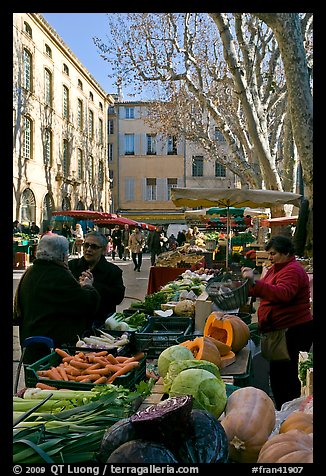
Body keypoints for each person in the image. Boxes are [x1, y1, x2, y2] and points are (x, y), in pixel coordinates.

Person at [241, 234, 313, 410]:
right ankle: (284, 408)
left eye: (273, 253)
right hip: (280, 331)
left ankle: (288, 412)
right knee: (278, 374)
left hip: (293, 331)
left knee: (285, 377)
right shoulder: (278, 268)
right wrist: (248, 286)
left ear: (286, 252)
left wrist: (256, 282)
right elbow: (265, 289)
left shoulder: (293, 270)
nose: (270, 257)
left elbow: (283, 293)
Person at [13, 234, 100, 366]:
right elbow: (88, 303)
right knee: (48, 382)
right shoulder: (59, 275)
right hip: (53, 351)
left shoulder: (31, 272)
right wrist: (87, 286)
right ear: (62, 255)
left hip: (31, 347)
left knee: (35, 381)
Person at [68, 231, 125, 326]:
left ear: (103, 250)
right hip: (74, 321)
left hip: (101, 322)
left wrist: (92, 286)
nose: (88, 249)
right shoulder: (72, 266)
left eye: (94, 247)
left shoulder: (113, 271)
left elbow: (118, 297)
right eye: (86, 245)